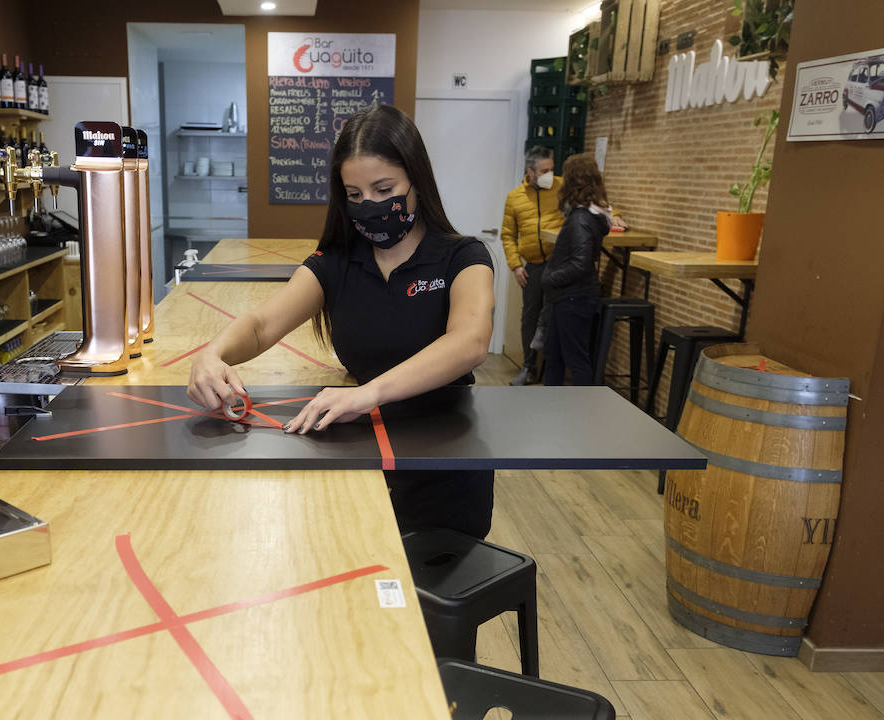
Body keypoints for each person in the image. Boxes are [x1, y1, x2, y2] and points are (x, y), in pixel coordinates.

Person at [187, 103, 496, 541]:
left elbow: (470, 341)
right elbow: (260, 325)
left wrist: (369, 393)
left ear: (417, 182)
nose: (368, 205)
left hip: (444, 464)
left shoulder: (464, 256)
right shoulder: (335, 263)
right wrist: (211, 354)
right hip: (360, 458)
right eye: (354, 195)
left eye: (383, 188)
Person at [539, 153, 612, 386]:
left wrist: (550, 277)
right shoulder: (589, 214)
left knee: (574, 361)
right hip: (572, 296)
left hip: (573, 297)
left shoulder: (580, 218)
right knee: (555, 356)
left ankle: (578, 416)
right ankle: (556, 413)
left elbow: (581, 263)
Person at [500, 145, 563, 386]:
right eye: (544, 170)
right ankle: (529, 368)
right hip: (532, 267)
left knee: (552, 316)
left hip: (558, 264)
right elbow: (507, 235)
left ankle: (554, 368)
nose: (550, 174)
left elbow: (594, 202)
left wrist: (615, 215)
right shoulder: (515, 197)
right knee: (530, 318)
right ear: (531, 171)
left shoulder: (562, 186)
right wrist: (516, 265)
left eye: (551, 169)